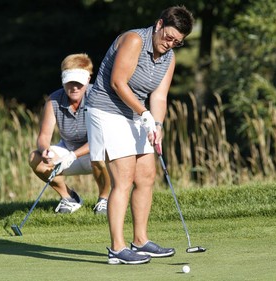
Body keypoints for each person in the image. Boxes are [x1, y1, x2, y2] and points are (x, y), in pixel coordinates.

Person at [85, 6, 194, 264]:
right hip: (106, 111)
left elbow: (159, 95)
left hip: (136, 114)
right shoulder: (134, 40)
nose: (170, 44)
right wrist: (144, 113)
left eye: (177, 43)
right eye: (168, 37)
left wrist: (157, 124)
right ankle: (117, 248)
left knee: (145, 176)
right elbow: (117, 82)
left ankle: (141, 241)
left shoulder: (169, 58)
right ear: (158, 24)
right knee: (123, 178)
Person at [29, 53, 110, 215]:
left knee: (99, 154)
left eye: (78, 83)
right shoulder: (54, 101)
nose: (74, 87)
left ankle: (104, 199)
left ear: (88, 79)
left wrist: (73, 156)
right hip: (67, 150)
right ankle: (69, 198)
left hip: (95, 154)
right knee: (35, 158)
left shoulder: (99, 96)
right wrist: (46, 151)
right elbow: (44, 136)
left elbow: (100, 139)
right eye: (69, 82)